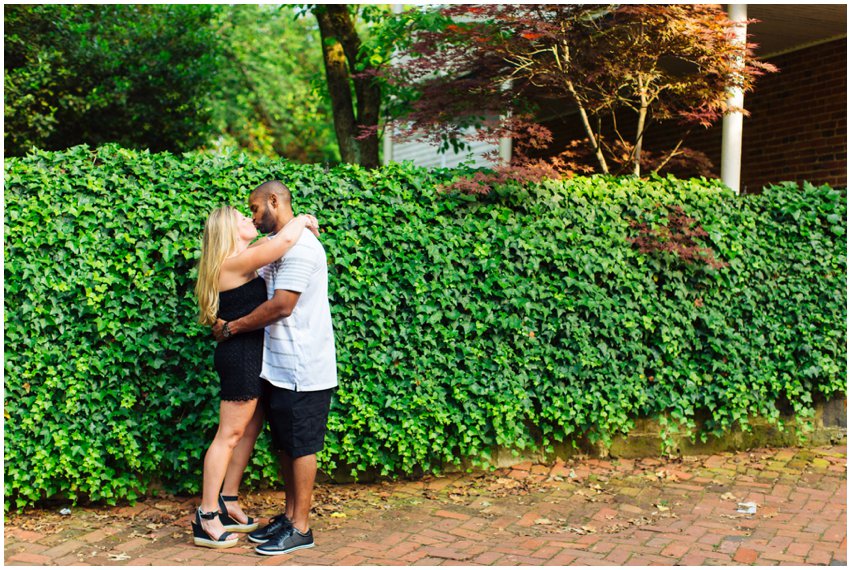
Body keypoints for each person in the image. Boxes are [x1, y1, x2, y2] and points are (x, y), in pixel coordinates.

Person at [211, 180, 338, 556]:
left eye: (254, 208)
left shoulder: (300, 247)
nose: (252, 215)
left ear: (273, 201)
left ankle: (301, 528)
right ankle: (289, 515)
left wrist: (233, 327)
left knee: (301, 446)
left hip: (304, 366)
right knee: (285, 444)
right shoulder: (276, 246)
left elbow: (282, 305)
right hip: (277, 366)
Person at [192, 204, 319, 549]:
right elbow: (280, 244)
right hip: (241, 358)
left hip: (250, 356)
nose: (250, 219)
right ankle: (206, 516)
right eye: (242, 217)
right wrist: (304, 219)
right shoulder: (232, 263)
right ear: (228, 231)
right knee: (229, 434)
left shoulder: (243, 258)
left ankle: (228, 500)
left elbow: (272, 247)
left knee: (247, 430)